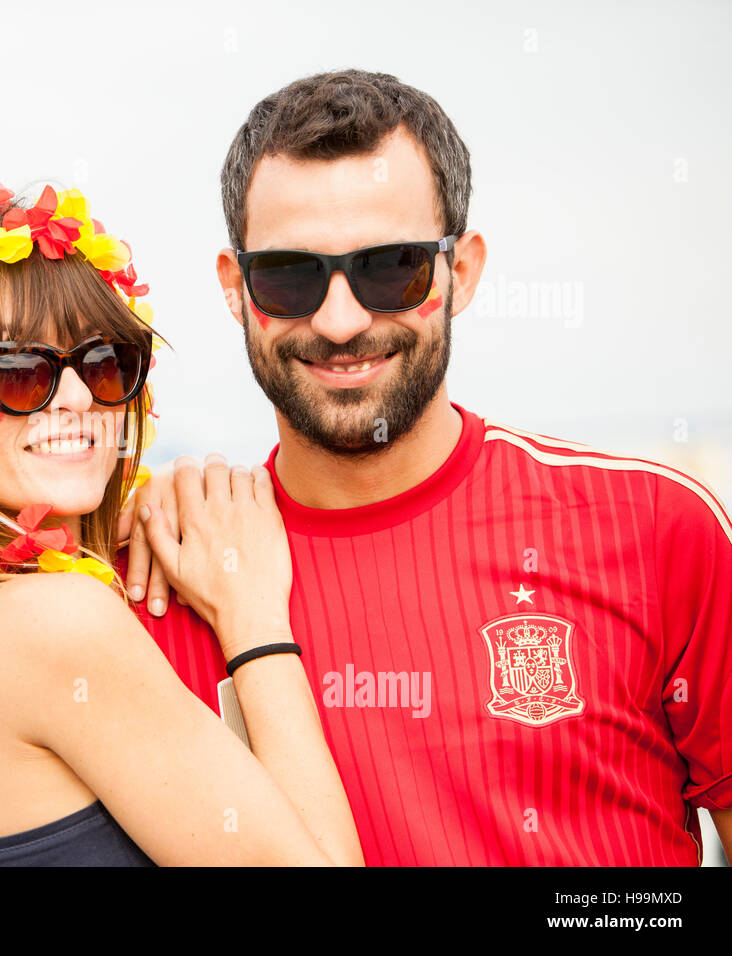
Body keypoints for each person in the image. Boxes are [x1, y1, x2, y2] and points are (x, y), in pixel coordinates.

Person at [122, 69, 732, 866]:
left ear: (462, 272)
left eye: (392, 268)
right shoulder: (157, 578)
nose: (340, 322)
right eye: (288, 276)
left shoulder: (658, 530)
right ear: (236, 291)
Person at [0, 169, 363, 866]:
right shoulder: (55, 621)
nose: (74, 397)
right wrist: (254, 619)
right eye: (16, 371)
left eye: (104, 361)